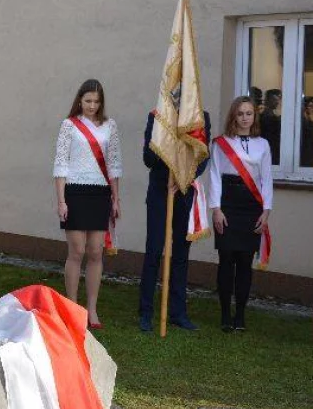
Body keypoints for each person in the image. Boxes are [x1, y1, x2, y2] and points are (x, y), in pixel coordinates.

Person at [52, 79, 121, 329]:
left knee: (95, 251)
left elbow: (113, 164)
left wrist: (116, 198)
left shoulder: (109, 126)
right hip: (75, 192)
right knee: (77, 251)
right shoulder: (69, 126)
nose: (92, 105)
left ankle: (91, 310)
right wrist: (61, 200)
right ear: (79, 100)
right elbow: (60, 164)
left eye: (96, 101)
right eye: (88, 100)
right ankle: (71, 307)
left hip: (101, 193)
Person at [137, 110, 211, 332]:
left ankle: (178, 312)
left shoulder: (200, 117)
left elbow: (203, 157)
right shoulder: (157, 116)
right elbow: (147, 159)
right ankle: (146, 312)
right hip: (160, 190)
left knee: (180, 254)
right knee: (153, 250)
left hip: (185, 190)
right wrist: (164, 143)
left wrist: (184, 178)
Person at [209, 96, 273, 332]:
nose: (245, 118)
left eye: (249, 113)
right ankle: (225, 313)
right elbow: (215, 176)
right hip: (228, 204)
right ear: (233, 116)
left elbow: (266, 179)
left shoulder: (263, 145)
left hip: (251, 206)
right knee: (226, 260)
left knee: (245, 262)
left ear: (254, 116)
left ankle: (241, 315)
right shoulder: (221, 143)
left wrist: (266, 211)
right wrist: (216, 209)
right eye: (240, 113)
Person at [260, 89, 282, 165]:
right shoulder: (265, 116)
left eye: (278, 100)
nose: (277, 102)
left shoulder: (273, 116)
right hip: (269, 150)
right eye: (275, 99)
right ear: (268, 99)